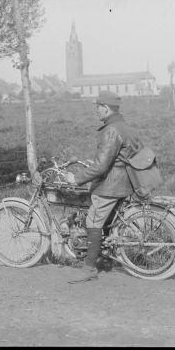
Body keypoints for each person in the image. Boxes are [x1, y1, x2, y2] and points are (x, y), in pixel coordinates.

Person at [64, 90, 143, 283]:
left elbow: (101, 166)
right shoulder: (125, 127)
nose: (96, 111)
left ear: (105, 108)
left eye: (97, 107)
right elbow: (120, 157)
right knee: (105, 222)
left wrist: (76, 179)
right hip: (126, 183)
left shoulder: (111, 130)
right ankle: (104, 257)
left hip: (110, 186)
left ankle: (89, 268)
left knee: (93, 222)